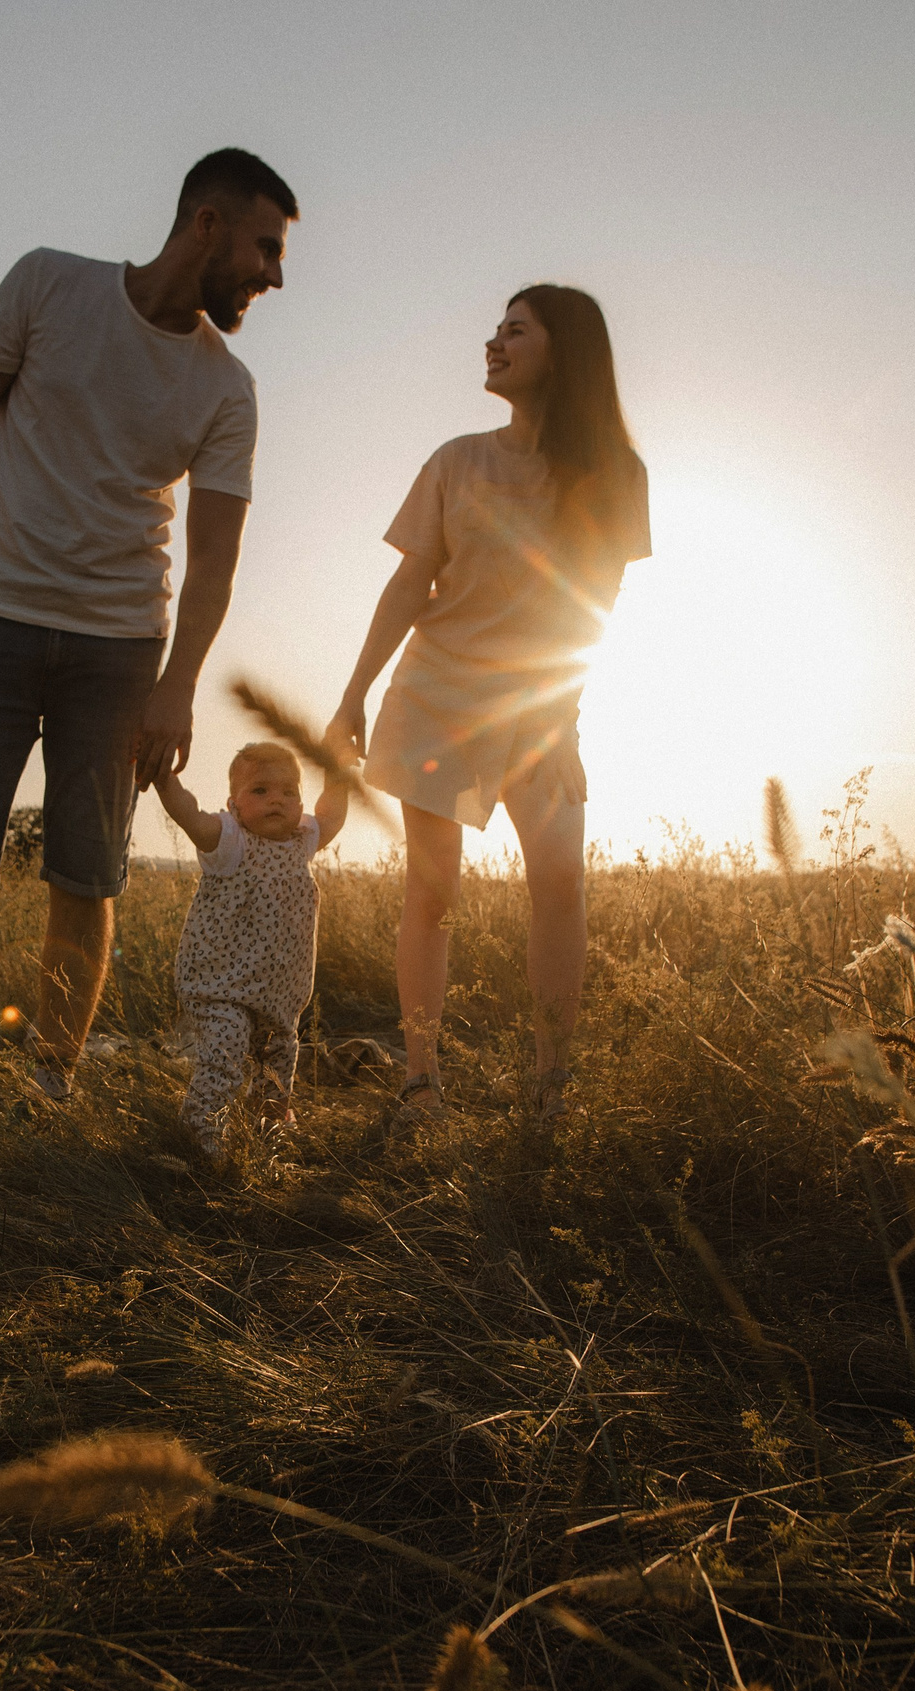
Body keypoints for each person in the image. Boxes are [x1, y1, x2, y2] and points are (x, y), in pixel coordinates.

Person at [0, 148, 297, 1106]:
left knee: (87, 880)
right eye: (265, 246)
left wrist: (178, 683)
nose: (275, 273)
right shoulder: (47, 284)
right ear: (206, 223)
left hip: (119, 655)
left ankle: (49, 1087)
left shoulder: (229, 390)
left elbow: (215, 559)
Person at [325, 286, 650, 1123]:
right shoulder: (456, 460)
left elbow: (594, 606)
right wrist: (353, 693)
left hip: (537, 709)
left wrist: (564, 715)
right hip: (436, 696)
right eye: (495, 329)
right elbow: (408, 583)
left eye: (515, 330)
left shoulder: (616, 472)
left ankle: (549, 1085)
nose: (492, 342)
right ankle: (421, 1084)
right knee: (432, 894)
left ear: (564, 351)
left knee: (560, 879)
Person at [149, 741, 353, 1158]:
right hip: (219, 985)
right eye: (260, 790)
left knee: (278, 1061)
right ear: (234, 804)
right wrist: (163, 778)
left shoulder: (302, 841)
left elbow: (331, 815)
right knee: (226, 1044)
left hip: (279, 995)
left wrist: (337, 772)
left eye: (289, 791)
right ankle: (202, 1127)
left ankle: (269, 1129)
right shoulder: (230, 841)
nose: (277, 799)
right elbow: (189, 814)